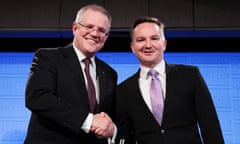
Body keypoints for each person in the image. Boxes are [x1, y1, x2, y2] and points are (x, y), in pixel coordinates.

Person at [115, 16, 225, 144]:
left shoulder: (190, 75)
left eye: (154, 38)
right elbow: (126, 137)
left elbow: (211, 129)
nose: (148, 45)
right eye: (141, 40)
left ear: (164, 44)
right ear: (133, 47)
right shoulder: (123, 91)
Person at [24, 4, 117, 144]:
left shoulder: (109, 74)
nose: (95, 33)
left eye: (101, 30)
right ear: (75, 28)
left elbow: (107, 119)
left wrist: (112, 130)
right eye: (89, 26)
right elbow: (37, 97)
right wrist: (88, 121)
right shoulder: (49, 57)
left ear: (106, 36)